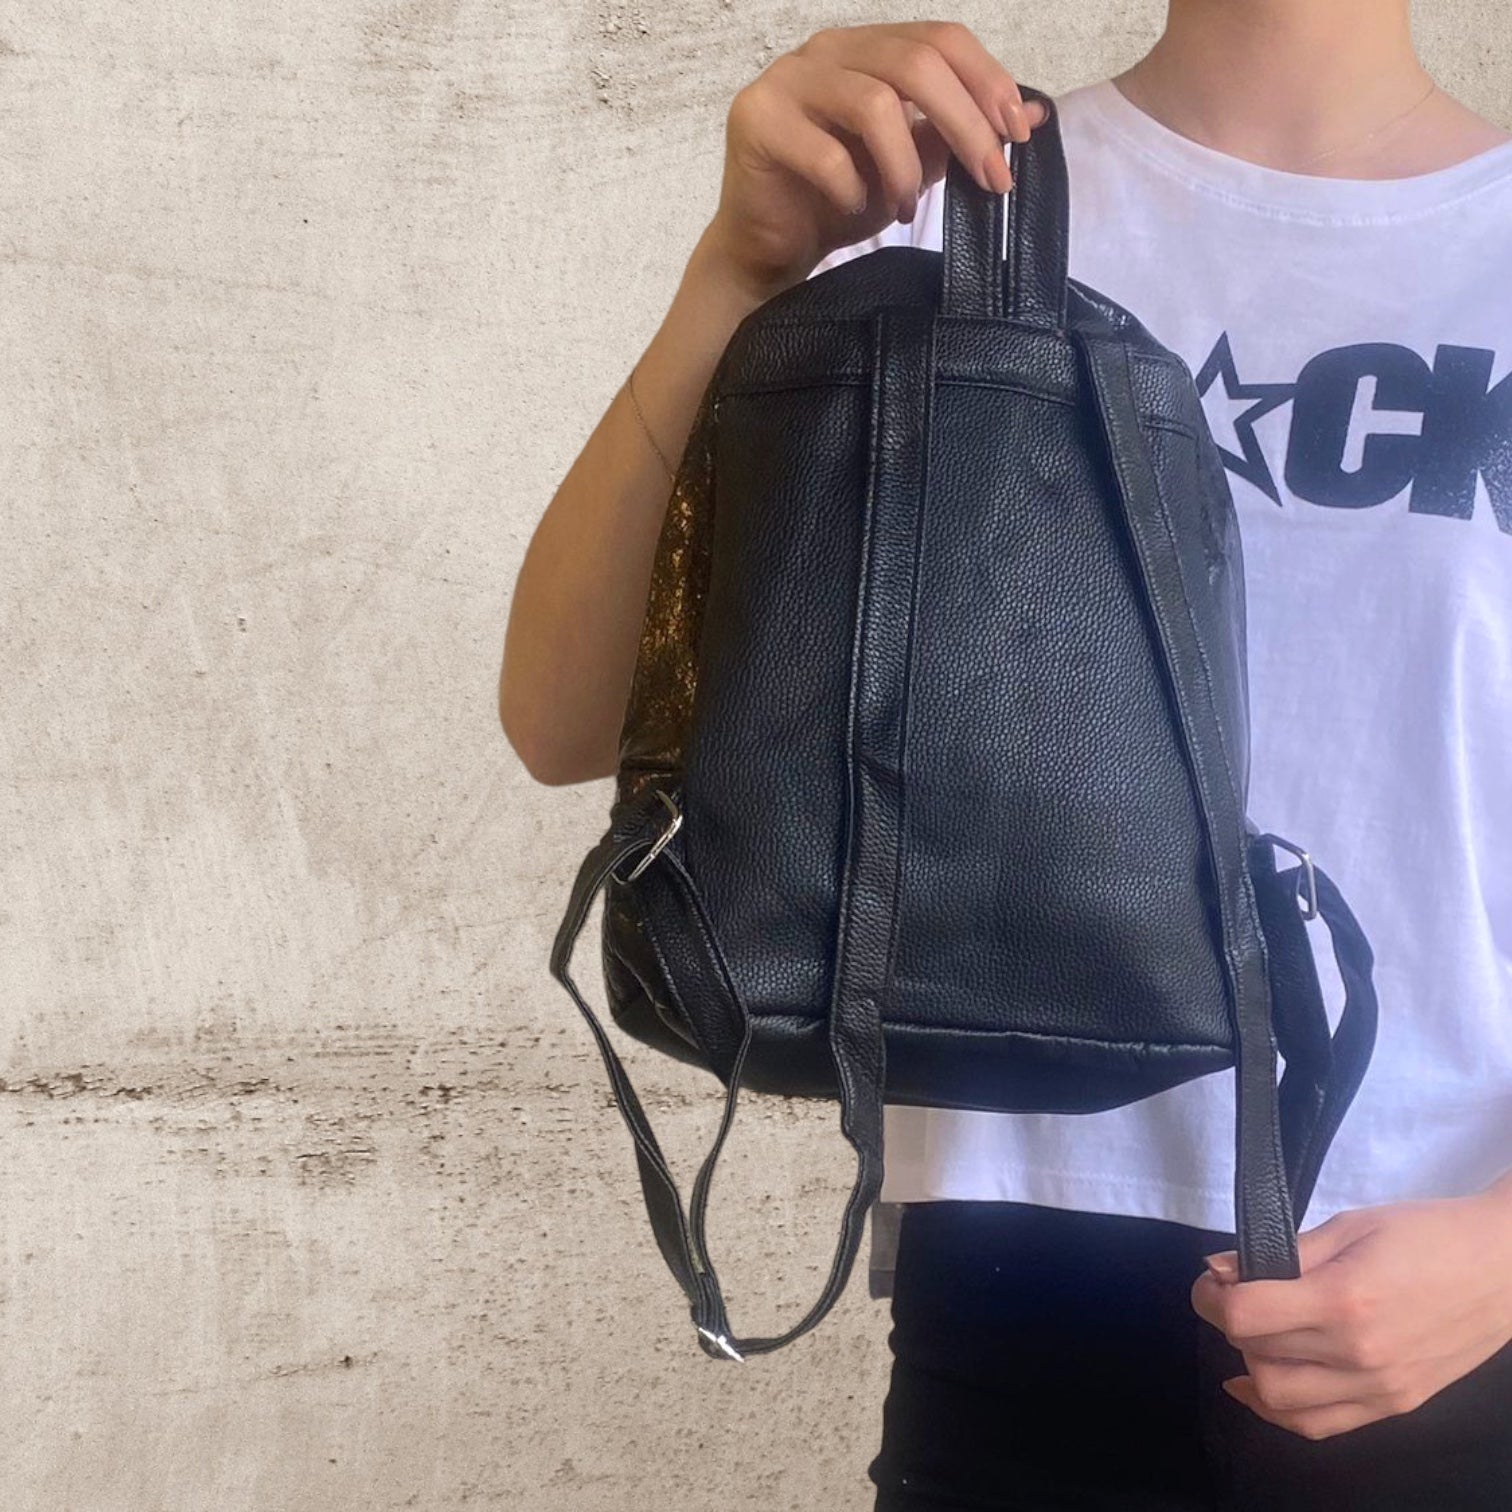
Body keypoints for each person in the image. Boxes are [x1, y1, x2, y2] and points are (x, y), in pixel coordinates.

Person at [500, 5, 1512, 1507]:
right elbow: (565, 716)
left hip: (1452, 1303)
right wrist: (739, 275)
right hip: (1012, 1290)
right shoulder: (945, 199)